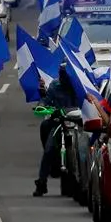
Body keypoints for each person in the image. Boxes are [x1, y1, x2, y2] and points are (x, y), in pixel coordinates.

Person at [34, 65, 79, 196]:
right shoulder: (54, 85)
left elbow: (86, 102)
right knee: (49, 149)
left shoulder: (78, 87)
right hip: (60, 123)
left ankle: (80, 180)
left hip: (77, 124)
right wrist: (44, 107)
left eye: (66, 76)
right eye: (62, 75)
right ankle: (41, 183)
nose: (63, 79)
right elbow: (45, 103)